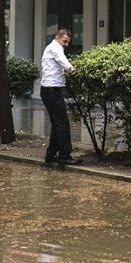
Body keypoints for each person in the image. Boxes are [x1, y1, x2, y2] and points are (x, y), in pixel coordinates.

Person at [40, 29, 82, 167]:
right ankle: (64, 155)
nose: (66, 45)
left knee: (57, 124)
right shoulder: (55, 48)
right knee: (62, 123)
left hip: (50, 91)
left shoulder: (52, 47)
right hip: (51, 91)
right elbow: (62, 61)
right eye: (65, 41)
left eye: (68, 42)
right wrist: (73, 70)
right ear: (57, 38)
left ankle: (51, 155)